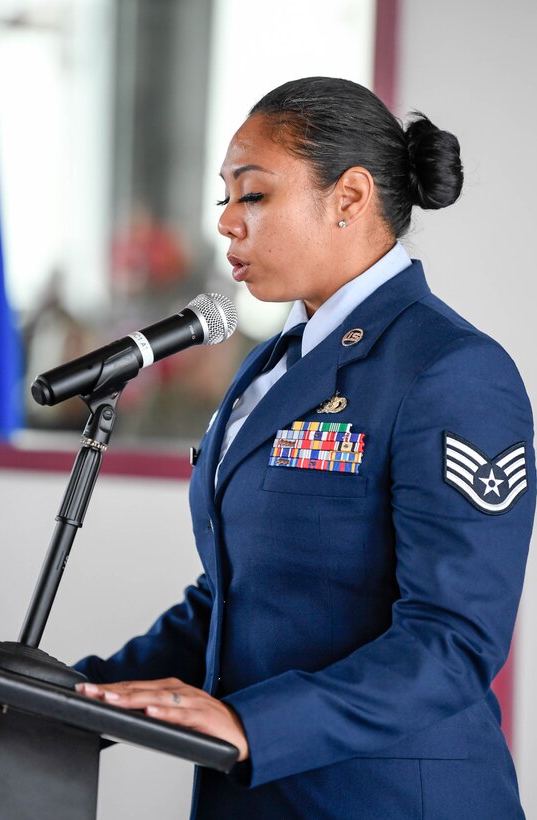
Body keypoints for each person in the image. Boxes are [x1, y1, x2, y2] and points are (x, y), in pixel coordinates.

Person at [75, 77, 535, 819]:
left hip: (388, 801)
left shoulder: (449, 370)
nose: (225, 222)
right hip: (256, 798)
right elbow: (239, 595)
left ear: (349, 198)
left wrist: (253, 725)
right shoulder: (273, 363)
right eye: (223, 197)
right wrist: (76, 697)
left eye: (251, 195)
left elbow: (450, 643)